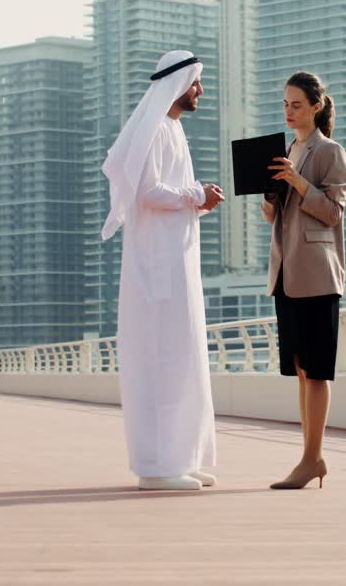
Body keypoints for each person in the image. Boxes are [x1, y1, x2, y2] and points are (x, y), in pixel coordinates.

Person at [102, 50, 224, 491]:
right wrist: (196, 193)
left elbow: (173, 198)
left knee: (182, 356)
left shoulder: (172, 129)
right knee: (161, 357)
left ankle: (178, 458)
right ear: (178, 85)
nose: (200, 91)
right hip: (156, 267)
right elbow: (149, 191)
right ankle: (156, 467)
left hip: (176, 260)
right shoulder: (155, 130)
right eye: (195, 83)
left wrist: (200, 200)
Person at [261, 71, 346, 490]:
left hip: (316, 273)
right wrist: (270, 195)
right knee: (300, 369)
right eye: (284, 104)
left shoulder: (328, 151)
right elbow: (276, 217)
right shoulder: (288, 150)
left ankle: (311, 458)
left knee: (316, 371)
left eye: (296, 104)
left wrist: (296, 180)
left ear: (316, 105)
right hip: (287, 270)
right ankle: (310, 458)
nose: (289, 111)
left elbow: (333, 213)